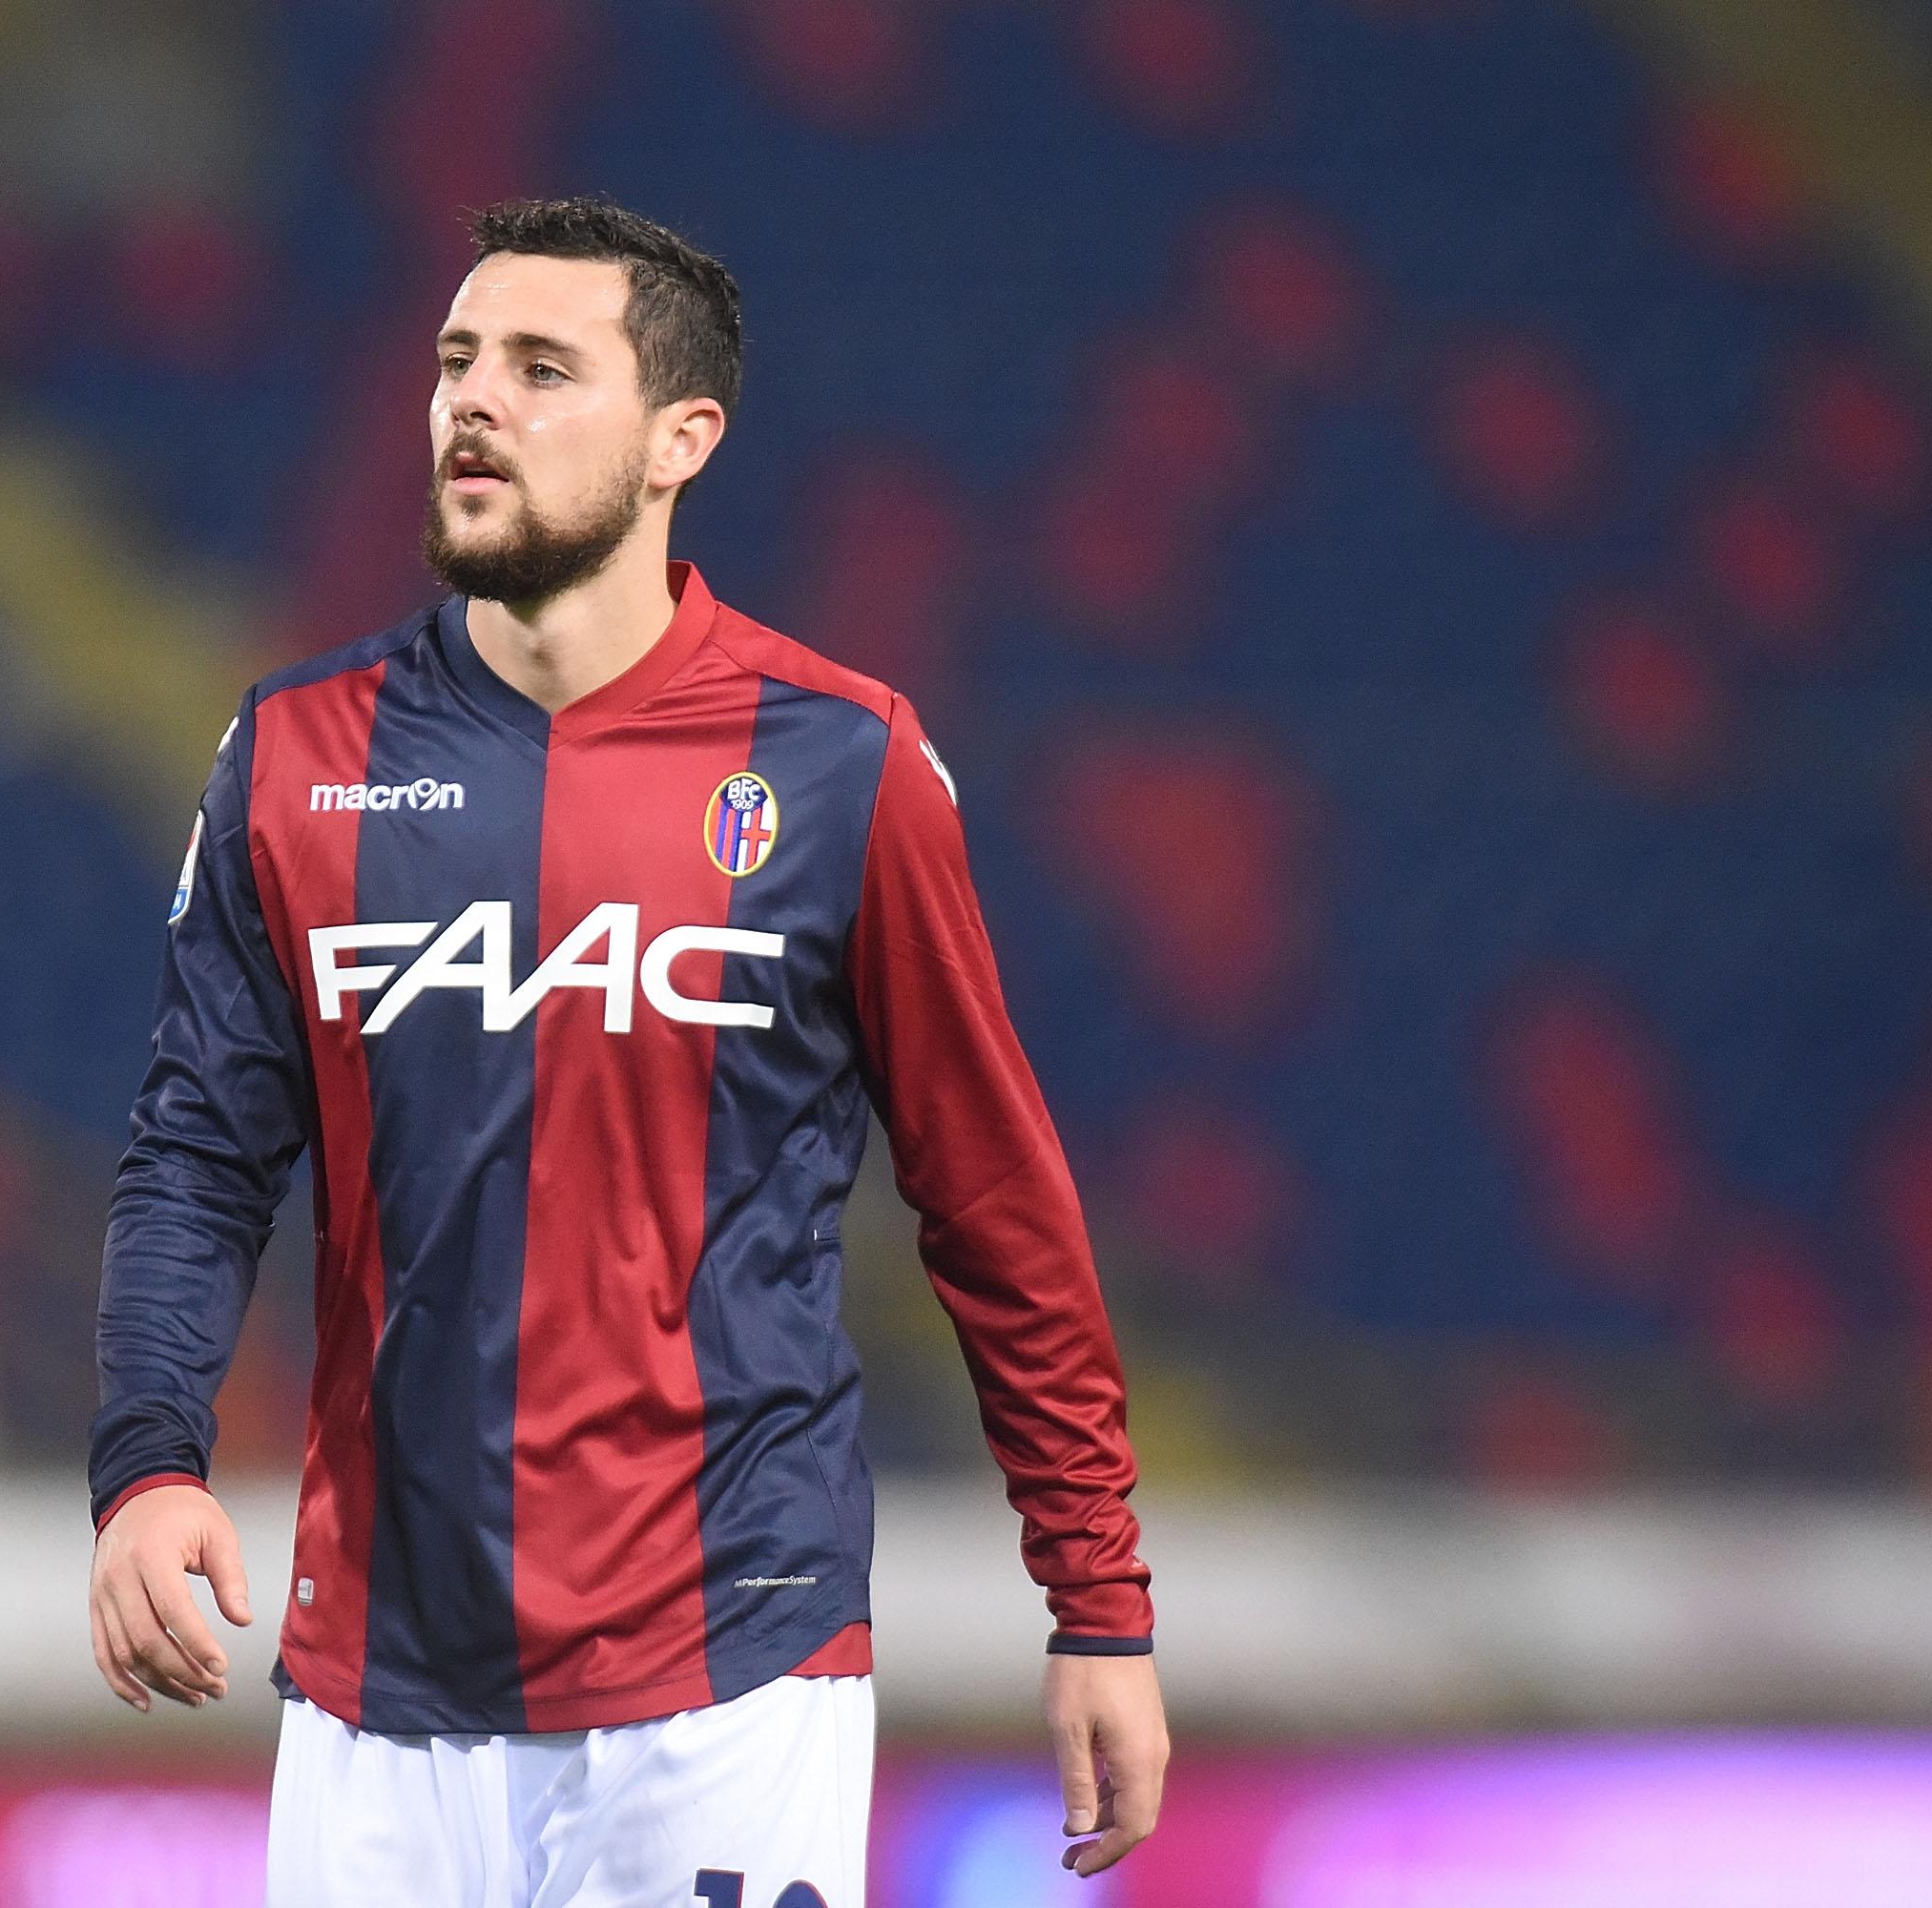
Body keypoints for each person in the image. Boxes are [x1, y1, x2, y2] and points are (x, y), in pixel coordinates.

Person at [88, 194, 1165, 1904]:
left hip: (730, 1664)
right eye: (454, 363)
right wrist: (148, 1461)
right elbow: (196, 1161)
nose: (472, 403)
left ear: (683, 440)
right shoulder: (297, 757)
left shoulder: (839, 765)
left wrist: (1097, 1600)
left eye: (538, 367)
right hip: (379, 1685)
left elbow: (992, 1200)